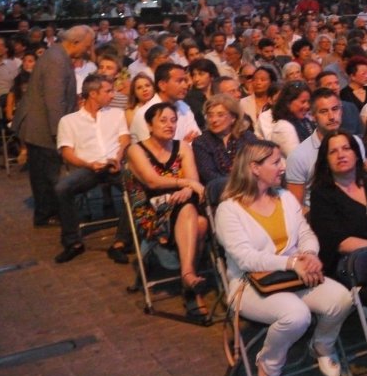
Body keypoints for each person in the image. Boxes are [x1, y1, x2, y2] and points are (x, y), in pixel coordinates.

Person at [215, 140, 352, 376]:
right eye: (276, 161)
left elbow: (305, 234)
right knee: (296, 315)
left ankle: (322, 344)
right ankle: (269, 363)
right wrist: (291, 263)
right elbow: (245, 258)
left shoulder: (286, 197)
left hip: (295, 275)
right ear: (254, 168)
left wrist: (310, 255)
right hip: (250, 284)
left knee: (341, 299)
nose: (283, 166)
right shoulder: (229, 209)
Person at [307, 130, 367, 360]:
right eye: (333, 151)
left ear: (357, 153)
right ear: (325, 160)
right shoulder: (323, 194)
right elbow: (340, 243)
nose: (341, 154)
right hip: (353, 267)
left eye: (346, 148)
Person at [125, 102, 209, 317]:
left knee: (199, 220)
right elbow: (152, 182)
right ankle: (189, 281)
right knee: (198, 221)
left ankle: (187, 278)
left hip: (182, 205)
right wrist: (184, 185)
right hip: (151, 212)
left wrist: (187, 189)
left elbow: (194, 180)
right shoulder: (136, 150)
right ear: (149, 125)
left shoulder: (182, 147)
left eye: (173, 120)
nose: (169, 125)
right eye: (163, 120)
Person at [13, 24, 95, 227]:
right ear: (75, 42)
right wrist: (61, 136)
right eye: (87, 45)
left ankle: (49, 212)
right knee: (48, 175)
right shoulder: (57, 60)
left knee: (44, 174)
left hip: (40, 125)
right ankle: (50, 214)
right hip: (41, 127)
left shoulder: (58, 55)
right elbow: (54, 101)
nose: (88, 49)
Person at [52, 74, 130, 263]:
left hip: (114, 164)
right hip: (88, 167)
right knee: (62, 189)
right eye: (108, 91)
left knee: (137, 189)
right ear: (93, 94)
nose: (113, 95)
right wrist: (89, 164)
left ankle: (120, 242)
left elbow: (124, 139)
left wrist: (118, 157)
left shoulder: (116, 114)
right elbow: (67, 153)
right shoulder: (69, 120)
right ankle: (73, 242)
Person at [192, 94, 256, 206]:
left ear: (233, 118)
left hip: (251, 187)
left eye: (220, 115)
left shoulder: (247, 137)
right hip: (221, 194)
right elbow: (209, 174)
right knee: (221, 183)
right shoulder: (201, 142)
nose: (214, 120)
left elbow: (257, 164)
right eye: (210, 115)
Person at [262, 81, 312, 159]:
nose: (307, 106)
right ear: (288, 103)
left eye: (308, 101)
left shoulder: (305, 121)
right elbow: (298, 161)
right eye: (303, 102)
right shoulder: (284, 127)